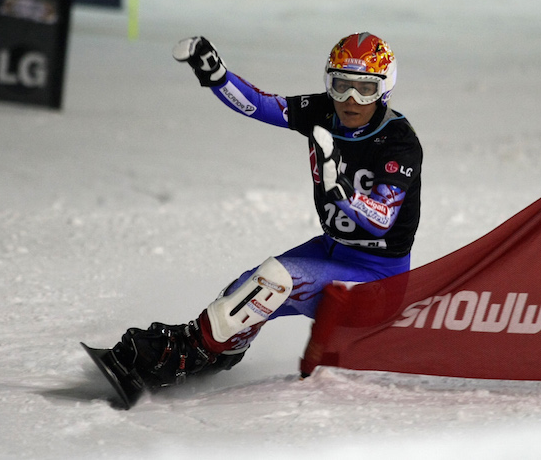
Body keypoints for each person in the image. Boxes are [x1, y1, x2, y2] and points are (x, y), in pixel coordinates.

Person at [94, 33, 423, 402]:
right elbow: (259, 105)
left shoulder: (399, 142)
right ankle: (207, 363)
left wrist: (341, 191)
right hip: (333, 250)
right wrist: (216, 75)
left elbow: (382, 218)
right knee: (243, 289)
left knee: (271, 280)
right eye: (340, 84)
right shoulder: (323, 111)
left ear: (385, 90)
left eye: (365, 88)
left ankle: (182, 355)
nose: (350, 99)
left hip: (377, 281)